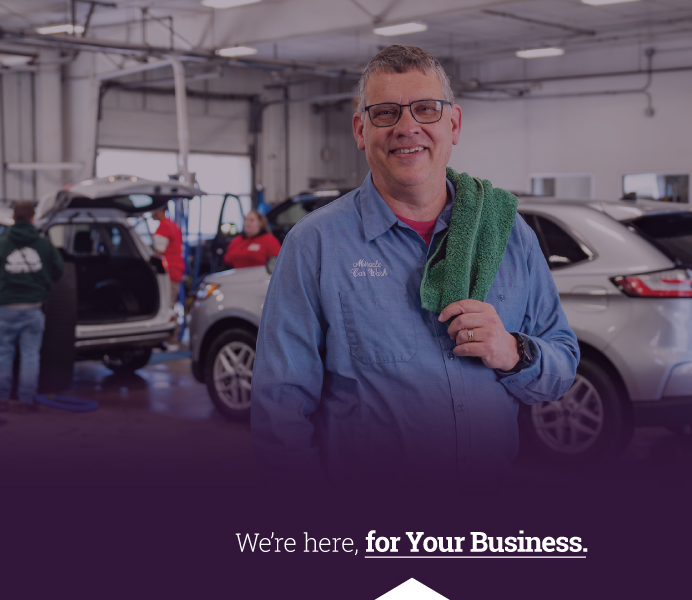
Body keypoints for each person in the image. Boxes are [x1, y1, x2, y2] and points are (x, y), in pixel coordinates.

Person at [251, 45, 579, 484]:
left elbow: (561, 363)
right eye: (386, 113)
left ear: (454, 123)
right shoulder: (316, 245)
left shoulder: (508, 233)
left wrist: (512, 352)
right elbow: (280, 408)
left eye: (426, 109)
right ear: (360, 130)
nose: (408, 128)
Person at [0, 201, 63, 412]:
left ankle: (1, 399)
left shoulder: (0, 244)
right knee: (30, 355)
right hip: (34, 309)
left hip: (7, 308)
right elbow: (58, 272)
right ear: (33, 218)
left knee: (3, 353)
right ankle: (26, 401)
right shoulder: (45, 245)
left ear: (14, 218)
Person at [150, 206, 185, 305]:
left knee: (166, 305)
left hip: (168, 272)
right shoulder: (172, 225)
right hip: (175, 270)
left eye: (153, 210)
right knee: (170, 302)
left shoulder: (164, 227)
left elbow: (159, 251)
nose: (151, 213)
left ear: (159, 210)